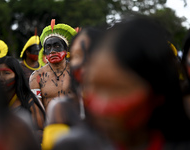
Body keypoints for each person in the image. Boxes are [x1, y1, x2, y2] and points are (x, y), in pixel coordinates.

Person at [54, 16, 190, 149]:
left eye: (117, 89)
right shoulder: (72, 146)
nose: (101, 107)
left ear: (158, 90)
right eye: (94, 86)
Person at [0, 56, 45, 142]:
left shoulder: (29, 101)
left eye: (6, 73)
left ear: (17, 75)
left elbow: (42, 133)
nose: (0, 78)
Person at [29, 19, 77, 110]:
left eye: (57, 46)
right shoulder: (36, 77)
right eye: (48, 47)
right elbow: (37, 109)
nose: (52, 51)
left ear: (66, 50)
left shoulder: (77, 71)